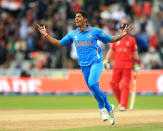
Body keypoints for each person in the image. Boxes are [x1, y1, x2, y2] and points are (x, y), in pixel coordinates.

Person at [37, 10, 133, 125]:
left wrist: (123, 35)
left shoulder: (94, 32)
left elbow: (111, 39)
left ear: (85, 19)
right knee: (94, 89)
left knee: (92, 83)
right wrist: (46, 35)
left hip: (96, 63)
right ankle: (109, 109)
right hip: (84, 66)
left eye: (79, 17)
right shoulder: (73, 34)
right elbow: (59, 43)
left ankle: (102, 107)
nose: (76, 19)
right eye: (75, 17)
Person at [104, 23, 139, 111]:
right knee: (113, 83)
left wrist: (136, 64)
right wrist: (106, 60)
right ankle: (121, 102)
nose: (122, 30)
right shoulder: (116, 39)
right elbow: (111, 51)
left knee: (125, 85)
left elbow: (135, 53)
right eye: (121, 29)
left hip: (127, 66)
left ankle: (123, 105)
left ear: (127, 29)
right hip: (117, 66)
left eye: (124, 29)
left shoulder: (131, 40)